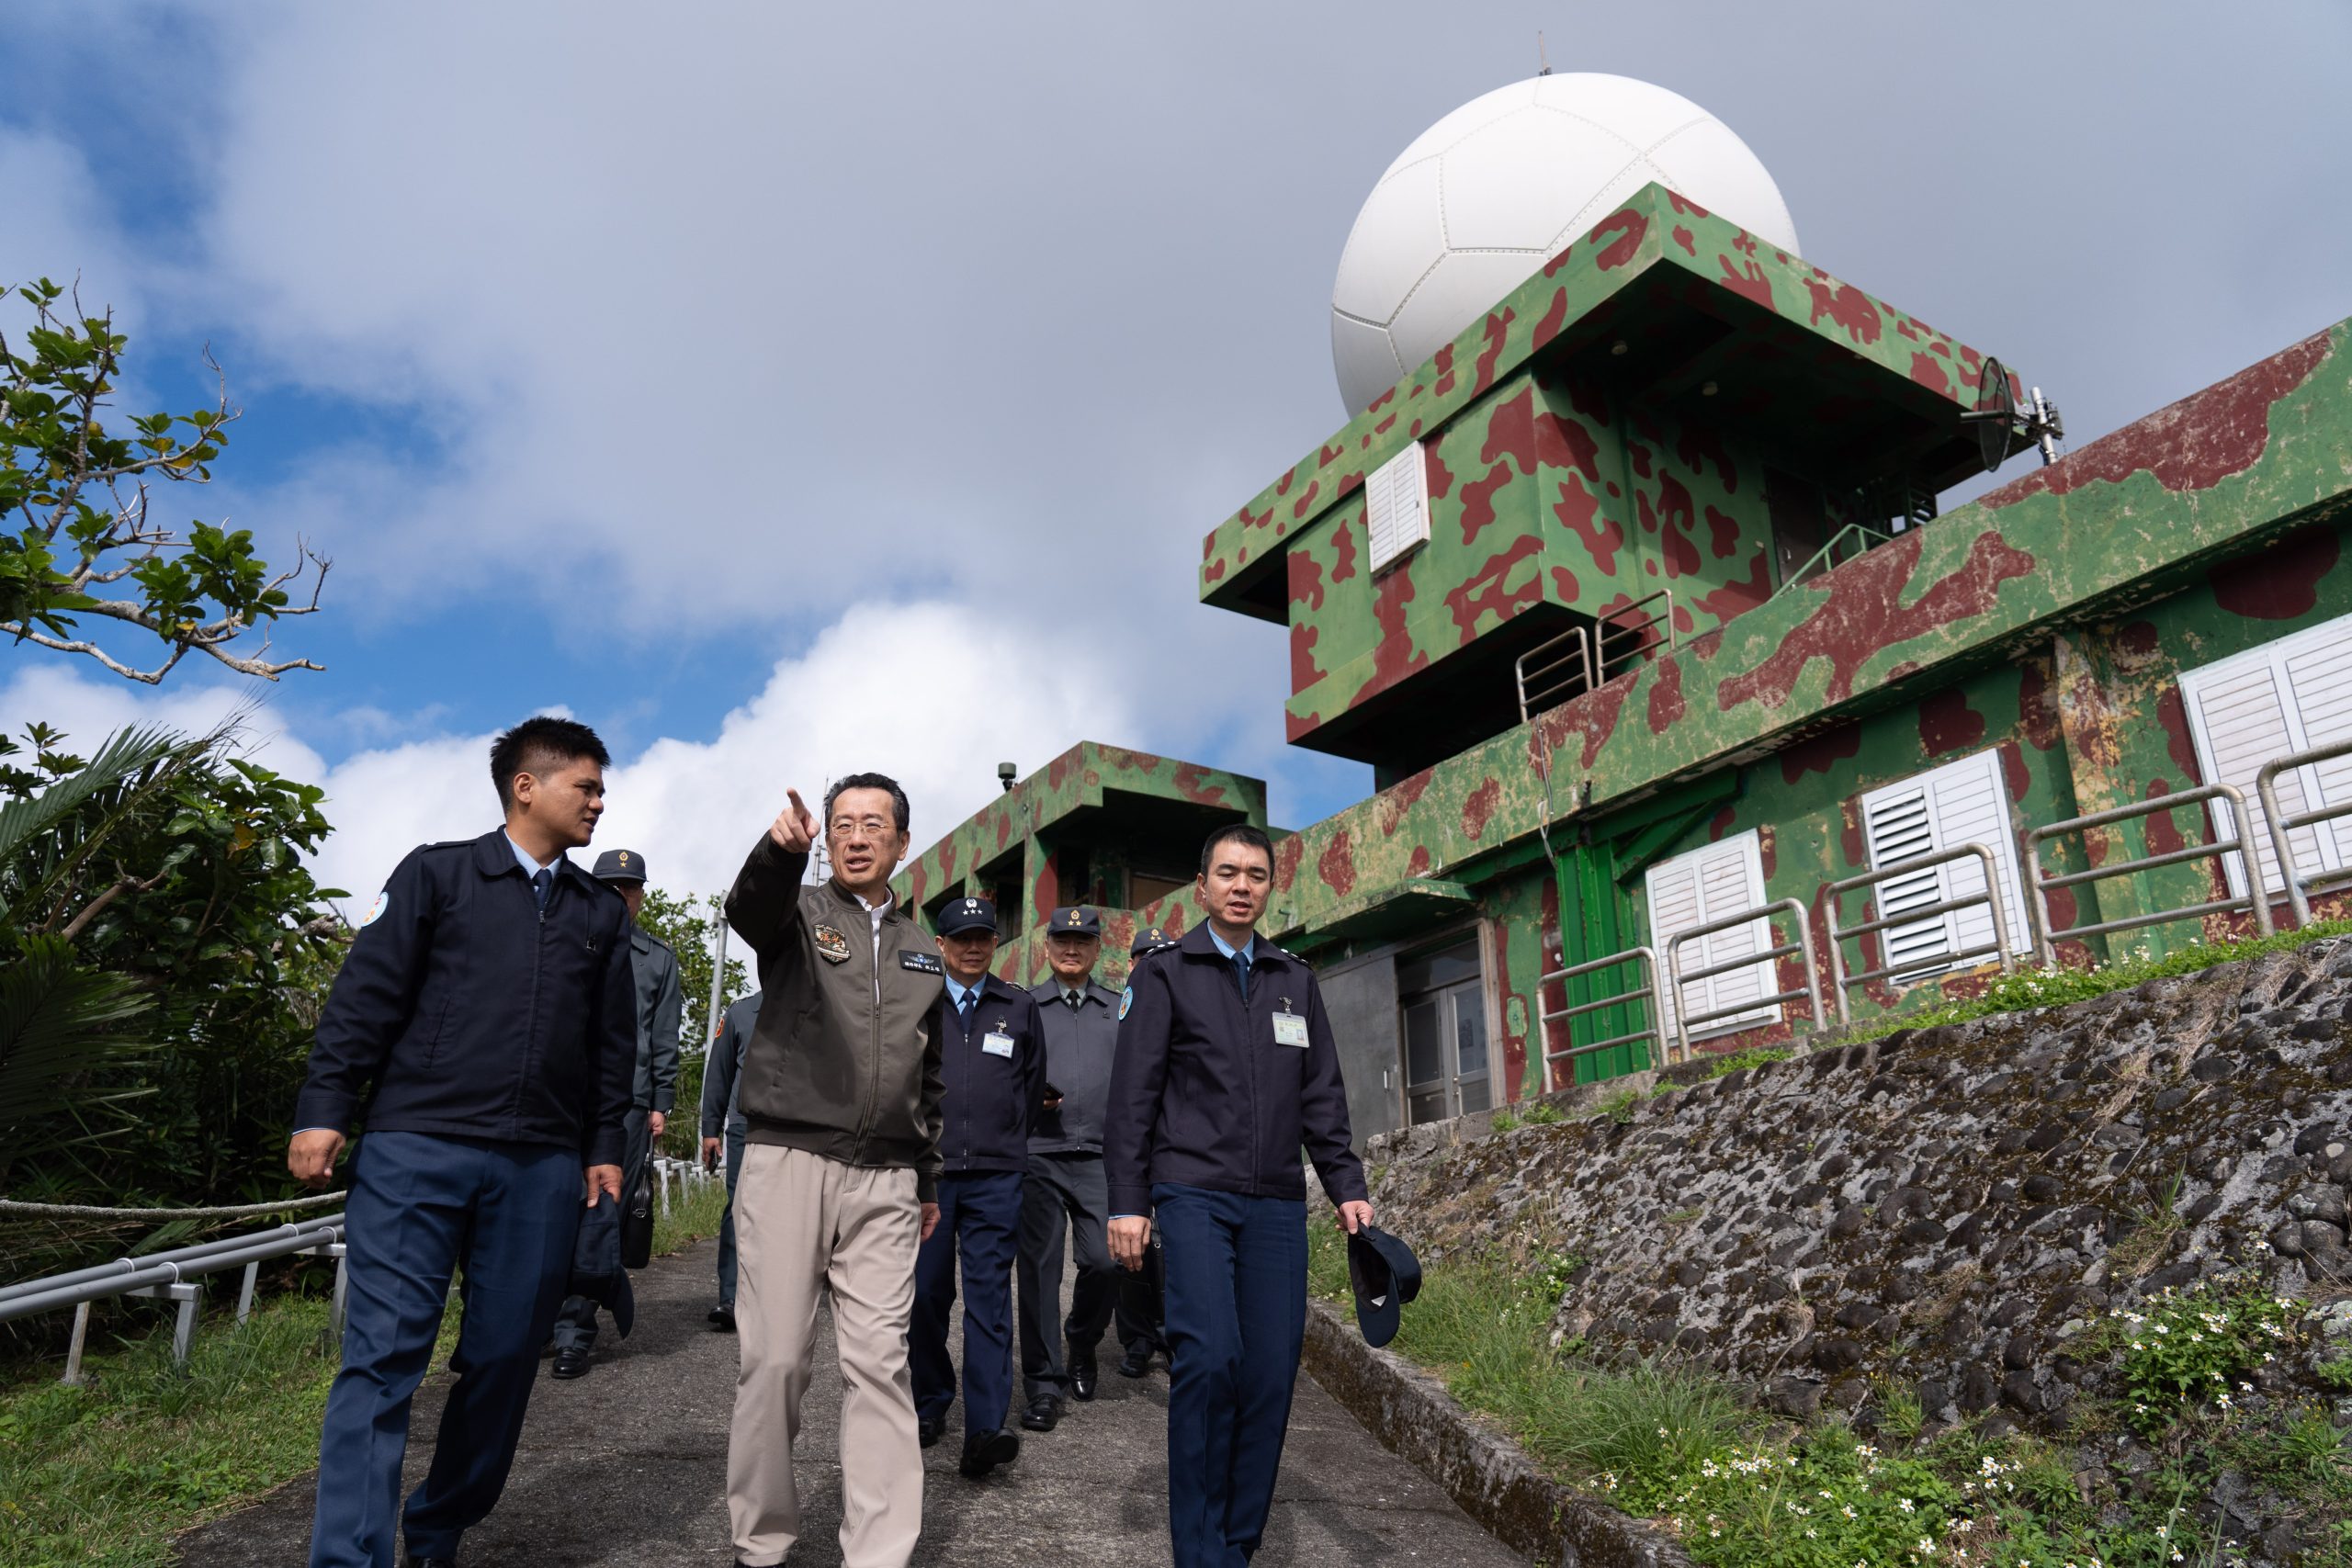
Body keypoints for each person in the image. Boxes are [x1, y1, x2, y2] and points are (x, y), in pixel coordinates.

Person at [288, 716, 635, 1568]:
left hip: (540, 1164)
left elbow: (611, 1044)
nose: (599, 801)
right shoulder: (437, 874)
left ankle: (439, 1524)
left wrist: (603, 1144)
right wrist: (324, 1106)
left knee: (506, 1358)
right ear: (527, 785)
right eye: (586, 786)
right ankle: (350, 1557)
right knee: (382, 1360)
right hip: (416, 1150)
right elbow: (364, 998)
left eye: (601, 789)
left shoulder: (598, 911)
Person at [1104, 826, 1374, 1568]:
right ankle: (1199, 1550)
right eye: (1228, 872)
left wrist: (1345, 1185)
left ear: (1269, 886)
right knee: (1211, 1356)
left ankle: (1236, 1543)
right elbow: (1132, 1096)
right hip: (1191, 1191)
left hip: (1277, 1202)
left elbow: (1322, 1095)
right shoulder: (1166, 973)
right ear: (1203, 885)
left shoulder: (1295, 979)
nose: (1242, 885)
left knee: (1269, 1372)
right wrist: (1127, 1200)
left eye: (1256, 873)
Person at [724, 775, 944, 1568]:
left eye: (873, 824)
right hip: (791, 1160)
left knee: (882, 1365)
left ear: (901, 842)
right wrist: (779, 853)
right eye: (842, 823)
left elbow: (930, 1078)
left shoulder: (924, 950)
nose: (856, 836)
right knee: (777, 1359)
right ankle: (761, 1542)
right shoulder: (800, 913)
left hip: (887, 1177)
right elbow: (749, 909)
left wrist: (926, 1178)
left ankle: (879, 1553)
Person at [910, 896, 1046, 1478]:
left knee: (989, 1303)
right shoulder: (918, 1001)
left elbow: (1032, 1087)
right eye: (961, 938)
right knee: (926, 1295)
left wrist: (1005, 1141)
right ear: (941, 945)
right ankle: (928, 1402)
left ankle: (985, 1428)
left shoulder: (1019, 1006)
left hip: (997, 1177)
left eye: (983, 938)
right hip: (930, 1177)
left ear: (996, 943)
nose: (973, 947)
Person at [549, 847, 684, 1377]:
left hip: (626, 1101)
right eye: (608, 886)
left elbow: (664, 1034)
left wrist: (660, 1101)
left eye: (628, 888)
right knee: (546, 1205)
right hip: (558, 1095)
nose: (619, 896)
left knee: (600, 1211)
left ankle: (574, 1331)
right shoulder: (563, 935)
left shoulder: (658, 959)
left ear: (640, 896)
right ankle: (535, 1320)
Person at [1013, 906, 1123, 1431]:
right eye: (1062, 940)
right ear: (1047, 946)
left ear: (1098, 948)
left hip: (1102, 1156)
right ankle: (1043, 1384)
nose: (1071, 949)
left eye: (1082, 941)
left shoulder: (1119, 1009)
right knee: (1038, 1270)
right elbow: (1005, 1074)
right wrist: (1029, 1098)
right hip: (1039, 1152)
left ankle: (1082, 1339)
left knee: (1107, 1261)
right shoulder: (1025, 1006)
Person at [1114, 924, 1177, 1381]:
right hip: (1130, 1147)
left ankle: (1171, 1335)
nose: (1153, 963)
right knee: (1130, 1251)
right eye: (1145, 956)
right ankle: (1136, 1339)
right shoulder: (1120, 1006)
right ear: (1132, 963)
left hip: (1172, 1146)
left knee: (1172, 1252)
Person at [700, 988, 763, 1331]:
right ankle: (730, 1298)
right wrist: (710, 1129)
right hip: (744, 1129)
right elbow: (719, 1073)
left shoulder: (812, 1007)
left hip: (795, 1135)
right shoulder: (741, 1012)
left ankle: (775, 1300)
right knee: (739, 1208)